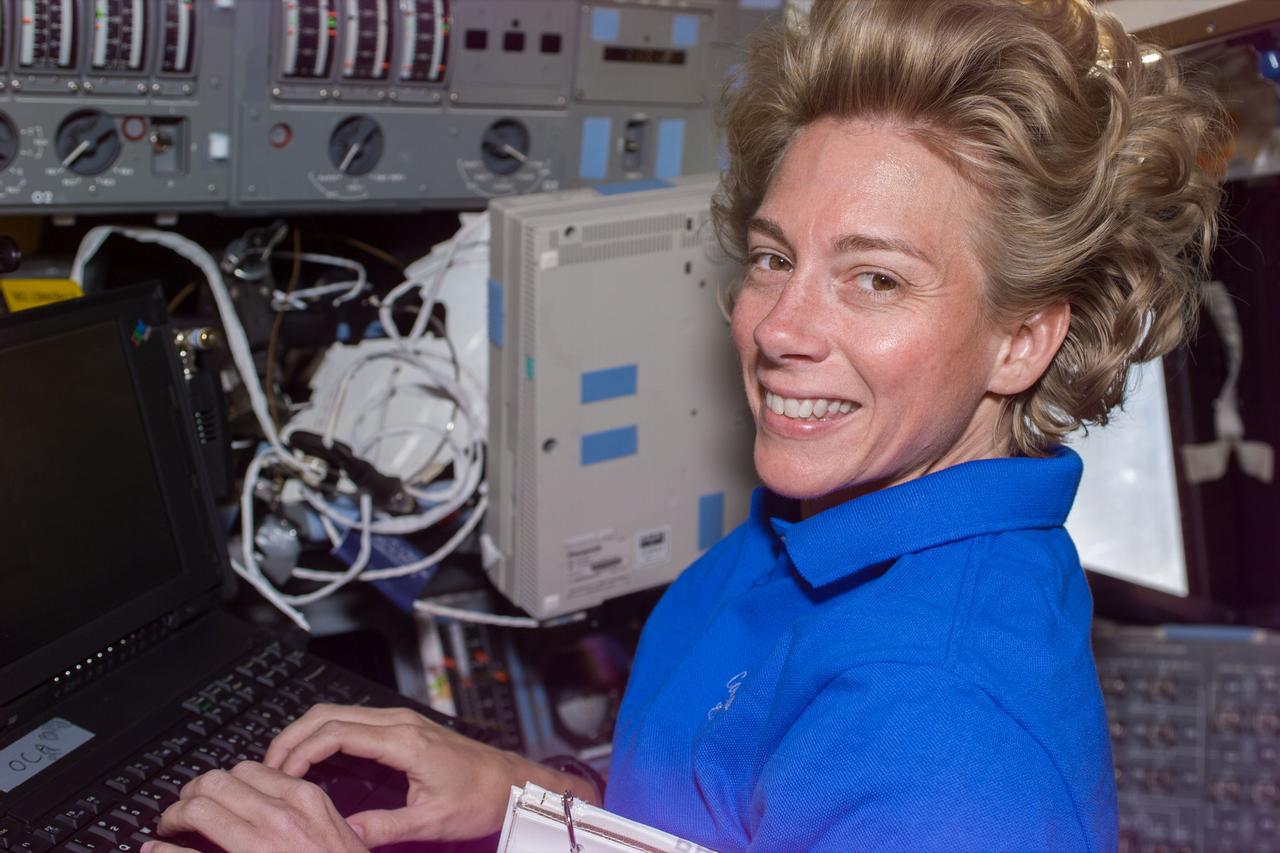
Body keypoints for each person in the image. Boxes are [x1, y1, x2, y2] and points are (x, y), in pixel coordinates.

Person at [142, 1, 1224, 851]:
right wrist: (523, 796)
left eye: (875, 279)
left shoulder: (944, 740)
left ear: (1022, 340)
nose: (778, 327)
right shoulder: (830, 518)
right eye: (771, 256)